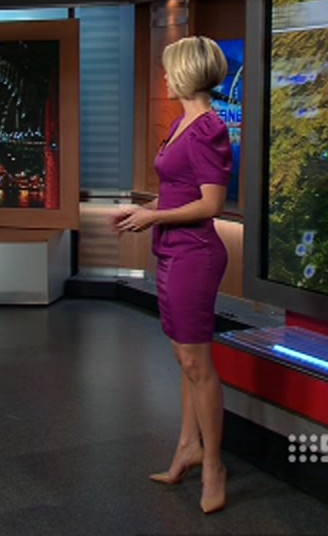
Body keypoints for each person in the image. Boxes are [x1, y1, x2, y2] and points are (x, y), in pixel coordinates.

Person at [111, 35, 232, 514]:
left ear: (184, 72)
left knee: (197, 363)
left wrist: (154, 218)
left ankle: (215, 466)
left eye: (168, 68)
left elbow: (211, 204)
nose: (163, 75)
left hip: (195, 255)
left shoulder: (208, 129)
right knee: (185, 359)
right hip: (173, 251)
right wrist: (142, 211)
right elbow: (180, 190)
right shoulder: (183, 123)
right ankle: (188, 446)